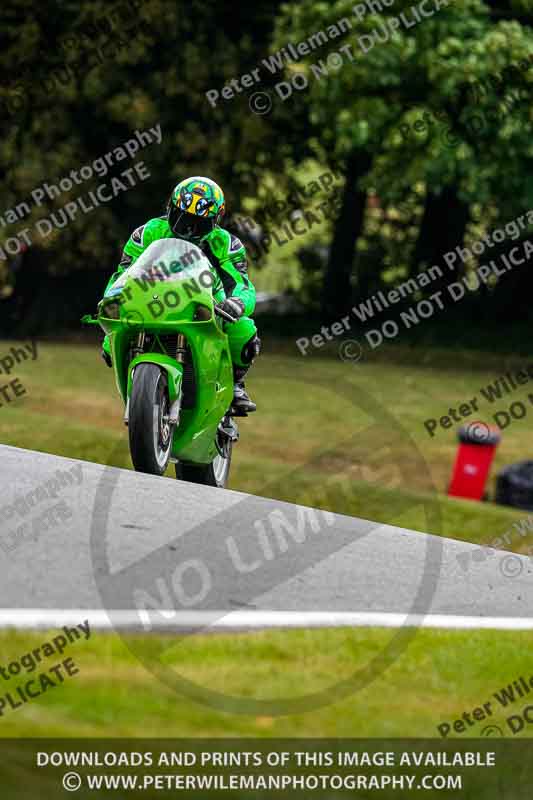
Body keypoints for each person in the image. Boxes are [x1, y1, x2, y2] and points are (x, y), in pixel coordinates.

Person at [101, 176, 260, 414]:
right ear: (170, 208)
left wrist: (237, 302)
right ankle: (140, 392)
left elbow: (241, 283)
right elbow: (123, 274)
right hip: (152, 299)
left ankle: (235, 384)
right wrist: (111, 298)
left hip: (206, 303)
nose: (188, 229)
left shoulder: (226, 244)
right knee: (108, 343)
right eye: (182, 218)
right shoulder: (147, 233)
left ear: (216, 220)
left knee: (245, 331)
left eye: (199, 223)